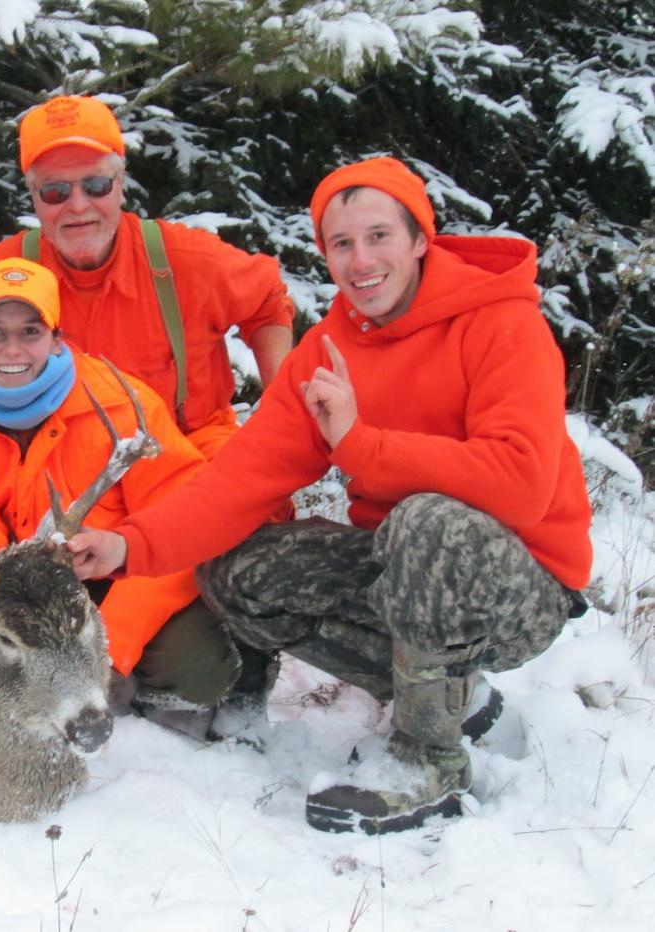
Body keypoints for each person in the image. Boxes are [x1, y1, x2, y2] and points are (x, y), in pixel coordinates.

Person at [68, 157, 593, 834]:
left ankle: (427, 761)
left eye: (379, 237)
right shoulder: (329, 349)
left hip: (523, 587)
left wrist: (360, 443)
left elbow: (521, 487)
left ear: (420, 241)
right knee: (238, 569)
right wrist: (128, 546)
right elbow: (240, 481)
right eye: (341, 244)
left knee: (426, 520)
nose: (360, 260)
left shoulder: (502, 325)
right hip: (406, 570)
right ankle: (441, 692)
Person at [0, 256, 245, 716]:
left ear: (58, 338)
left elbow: (181, 530)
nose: (12, 350)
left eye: (31, 331)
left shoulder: (123, 407)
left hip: (113, 580)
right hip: (16, 600)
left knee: (198, 670)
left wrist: (109, 651)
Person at [0, 94, 295, 463]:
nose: (78, 206)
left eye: (96, 185)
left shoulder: (185, 260)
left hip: (187, 458)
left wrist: (282, 410)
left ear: (120, 186)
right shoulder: (5, 270)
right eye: (55, 192)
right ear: (33, 196)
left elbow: (267, 300)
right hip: (63, 471)